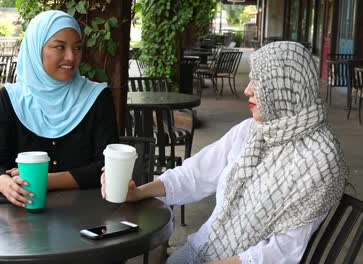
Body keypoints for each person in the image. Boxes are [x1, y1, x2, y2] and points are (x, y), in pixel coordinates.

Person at [101, 41, 348, 264]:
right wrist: (138, 193)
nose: (247, 90)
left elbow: (282, 251)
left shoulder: (319, 160)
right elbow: (195, 174)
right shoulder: (254, 130)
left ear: (285, 87)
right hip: (205, 249)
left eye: (259, 82)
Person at [0, 10, 118, 207]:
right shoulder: (11, 99)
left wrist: (45, 180)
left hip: (87, 215)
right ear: (36, 49)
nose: (71, 57)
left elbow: (107, 166)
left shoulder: (96, 97)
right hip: (22, 220)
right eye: (60, 47)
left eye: (77, 48)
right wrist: (5, 184)